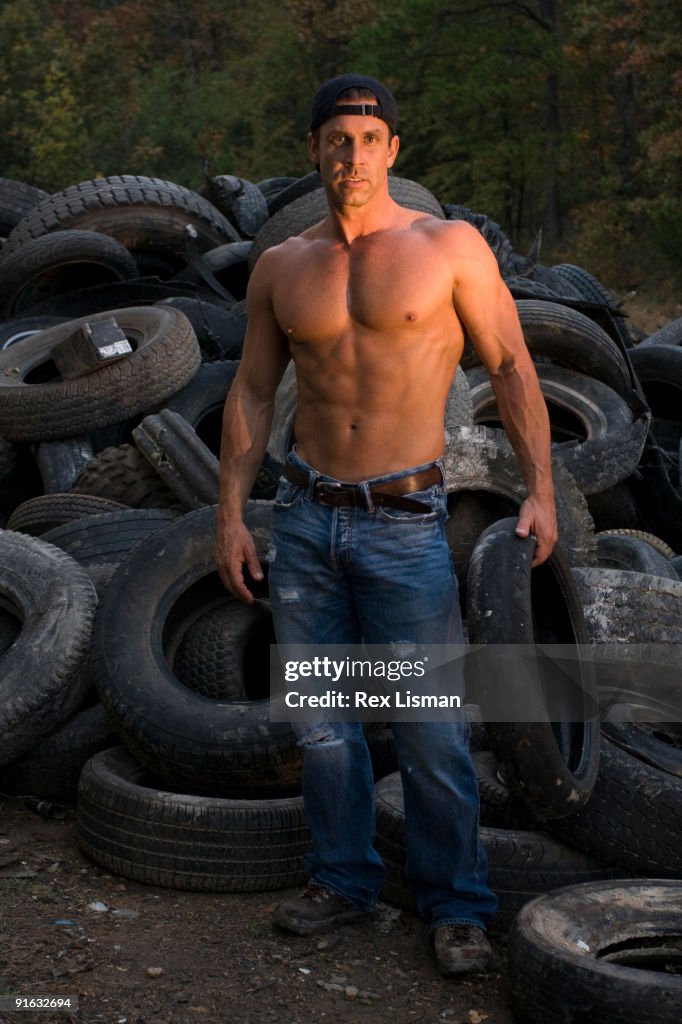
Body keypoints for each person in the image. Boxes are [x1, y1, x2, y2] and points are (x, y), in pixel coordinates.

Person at [215, 73, 557, 976]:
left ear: (394, 151)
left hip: (404, 522)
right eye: (336, 139)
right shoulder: (283, 265)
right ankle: (344, 881)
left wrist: (541, 492)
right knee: (324, 724)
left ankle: (456, 907)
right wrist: (230, 515)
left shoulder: (449, 250)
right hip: (303, 520)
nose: (352, 156)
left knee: (430, 726)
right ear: (315, 151)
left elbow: (514, 366)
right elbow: (251, 392)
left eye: (369, 140)